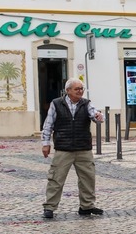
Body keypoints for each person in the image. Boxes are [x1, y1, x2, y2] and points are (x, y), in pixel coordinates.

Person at [39, 78, 102, 219]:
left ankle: (87, 206)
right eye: (77, 89)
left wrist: (99, 116)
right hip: (64, 148)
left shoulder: (86, 103)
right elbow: (48, 124)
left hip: (83, 147)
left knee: (88, 178)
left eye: (81, 88)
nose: (80, 91)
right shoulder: (56, 104)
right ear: (68, 91)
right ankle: (49, 207)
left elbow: (95, 115)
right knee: (56, 178)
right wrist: (45, 143)